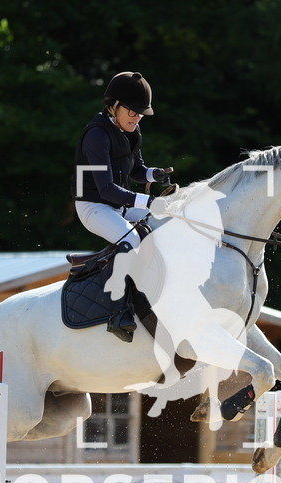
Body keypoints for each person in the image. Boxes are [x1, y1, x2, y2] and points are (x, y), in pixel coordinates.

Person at [70, 70, 172, 341]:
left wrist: (154, 174)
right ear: (113, 105)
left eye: (140, 113)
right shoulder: (96, 135)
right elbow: (105, 189)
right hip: (93, 207)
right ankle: (118, 312)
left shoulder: (132, 130)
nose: (137, 117)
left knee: (169, 222)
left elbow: (136, 169)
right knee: (133, 242)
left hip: (118, 204)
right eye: (132, 111)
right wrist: (148, 201)